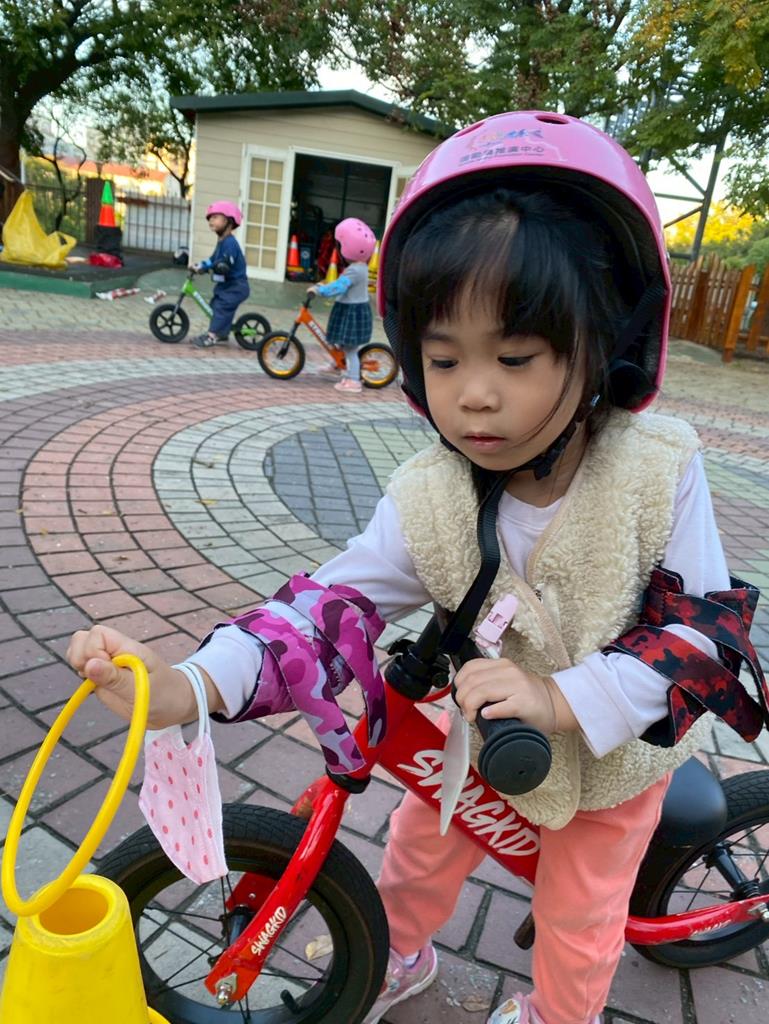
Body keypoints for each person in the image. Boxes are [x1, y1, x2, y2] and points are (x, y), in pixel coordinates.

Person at [65, 112, 761, 1024]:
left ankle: (559, 1016)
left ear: (602, 344)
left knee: (577, 912)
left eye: (514, 357)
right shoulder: (430, 491)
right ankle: (396, 953)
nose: (474, 393)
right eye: (442, 358)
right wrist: (193, 684)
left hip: (610, 763)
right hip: (481, 733)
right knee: (420, 842)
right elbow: (328, 603)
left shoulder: (655, 469)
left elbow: (701, 632)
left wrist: (563, 699)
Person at [309, 217, 376, 393]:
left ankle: (353, 380)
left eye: (339, 245)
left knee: (350, 348)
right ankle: (337, 364)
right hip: (350, 310)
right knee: (340, 342)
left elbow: (339, 287)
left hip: (352, 313)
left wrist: (319, 290)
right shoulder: (360, 266)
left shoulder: (355, 270)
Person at [191, 200, 249, 348]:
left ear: (228, 221)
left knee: (222, 307)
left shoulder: (230, 243)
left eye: (215, 217)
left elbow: (224, 264)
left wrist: (210, 267)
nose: (211, 220)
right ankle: (222, 333)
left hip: (236, 287)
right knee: (215, 305)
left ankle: (211, 337)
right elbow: (213, 259)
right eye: (210, 218)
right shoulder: (222, 241)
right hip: (227, 285)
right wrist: (201, 265)